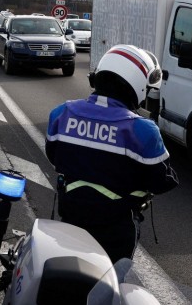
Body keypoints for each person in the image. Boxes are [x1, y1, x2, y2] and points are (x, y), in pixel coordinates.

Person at [45, 45, 179, 262]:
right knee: (109, 288)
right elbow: (163, 182)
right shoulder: (142, 130)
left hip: (70, 216)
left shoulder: (61, 113)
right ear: (137, 85)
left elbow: (54, 156)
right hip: (116, 229)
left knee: (64, 272)